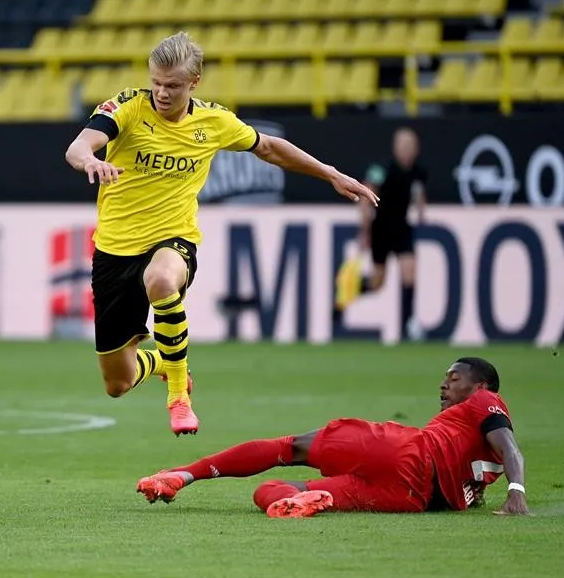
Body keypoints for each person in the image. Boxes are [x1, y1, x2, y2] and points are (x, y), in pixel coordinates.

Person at [64, 32, 379, 436]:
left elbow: (269, 148)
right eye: (157, 82)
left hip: (172, 239)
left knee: (161, 279)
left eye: (173, 85)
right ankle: (165, 363)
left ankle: (179, 397)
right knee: (117, 383)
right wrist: (89, 159)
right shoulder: (126, 107)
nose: (162, 92)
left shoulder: (213, 122)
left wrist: (332, 174)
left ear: (194, 83)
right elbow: (78, 146)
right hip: (113, 252)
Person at [136, 357, 530, 517]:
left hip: (403, 451)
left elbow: (510, 447)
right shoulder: (471, 454)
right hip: (412, 498)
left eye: (453, 378)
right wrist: (479, 493)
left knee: (287, 449)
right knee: (270, 492)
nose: (444, 386)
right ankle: (304, 499)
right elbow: (472, 479)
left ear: (480, 386)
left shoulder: (486, 401)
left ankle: (182, 475)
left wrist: (517, 492)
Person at [335, 127, 428, 341]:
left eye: (411, 147)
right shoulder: (382, 169)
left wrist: (422, 208)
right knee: (377, 282)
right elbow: (367, 193)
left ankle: (408, 323)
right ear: (396, 148)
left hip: (402, 228)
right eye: (403, 147)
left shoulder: (418, 172)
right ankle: (344, 292)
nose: (407, 151)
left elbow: (420, 193)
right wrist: (365, 228)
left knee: (409, 272)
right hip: (381, 228)